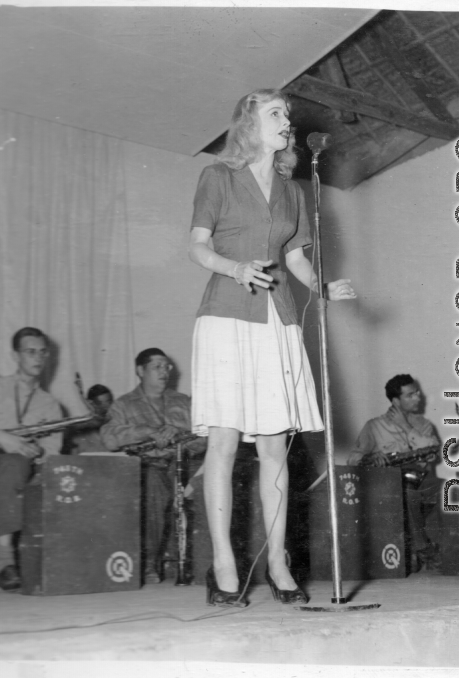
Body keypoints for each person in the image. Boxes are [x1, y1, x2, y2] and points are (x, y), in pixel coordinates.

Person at [188, 88, 356, 607]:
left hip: (278, 321)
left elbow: (298, 259)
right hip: (225, 315)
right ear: (249, 124)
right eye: (277, 113)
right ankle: (223, 565)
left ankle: (279, 562)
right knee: (223, 440)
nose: (288, 120)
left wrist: (323, 289)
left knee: (273, 449)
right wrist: (235, 267)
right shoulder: (218, 177)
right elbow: (197, 245)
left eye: (287, 113)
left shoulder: (292, 191)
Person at [100, 348, 206, 583]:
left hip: (184, 464)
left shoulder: (184, 402)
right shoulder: (123, 405)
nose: (164, 371)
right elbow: (109, 437)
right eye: (157, 366)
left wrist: (180, 434)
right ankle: (150, 564)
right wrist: (146, 432)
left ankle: (207, 564)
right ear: (140, 370)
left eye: (167, 366)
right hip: (150, 467)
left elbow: (205, 438)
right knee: (154, 485)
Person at [0, 327, 63, 591]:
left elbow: (52, 453)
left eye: (42, 352)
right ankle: (3, 564)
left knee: (13, 464)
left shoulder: (51, 405)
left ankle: (4, 563)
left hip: (14, 471)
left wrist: (34, 451)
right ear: (15, 355)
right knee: (11, 465)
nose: (37, 358)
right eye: (30, 352)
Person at [348, 374, 442, 571]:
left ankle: (418, 550)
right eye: (410, 395)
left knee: (425, 491)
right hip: (389, 485)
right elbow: (353, 460)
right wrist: (370, 459)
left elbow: (432, 451)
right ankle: (423, 548)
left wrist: (406, 427)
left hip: (421, 482)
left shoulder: (424, 425)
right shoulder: (373, 426)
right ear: (395, 400)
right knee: (405, 493)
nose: (418, 397)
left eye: (417, 392)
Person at [63, 384, 114, 454]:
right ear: (89, 404)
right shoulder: (78, 430)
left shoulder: (120, 424)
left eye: (109, 402)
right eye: (99, 403)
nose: (105, 407)